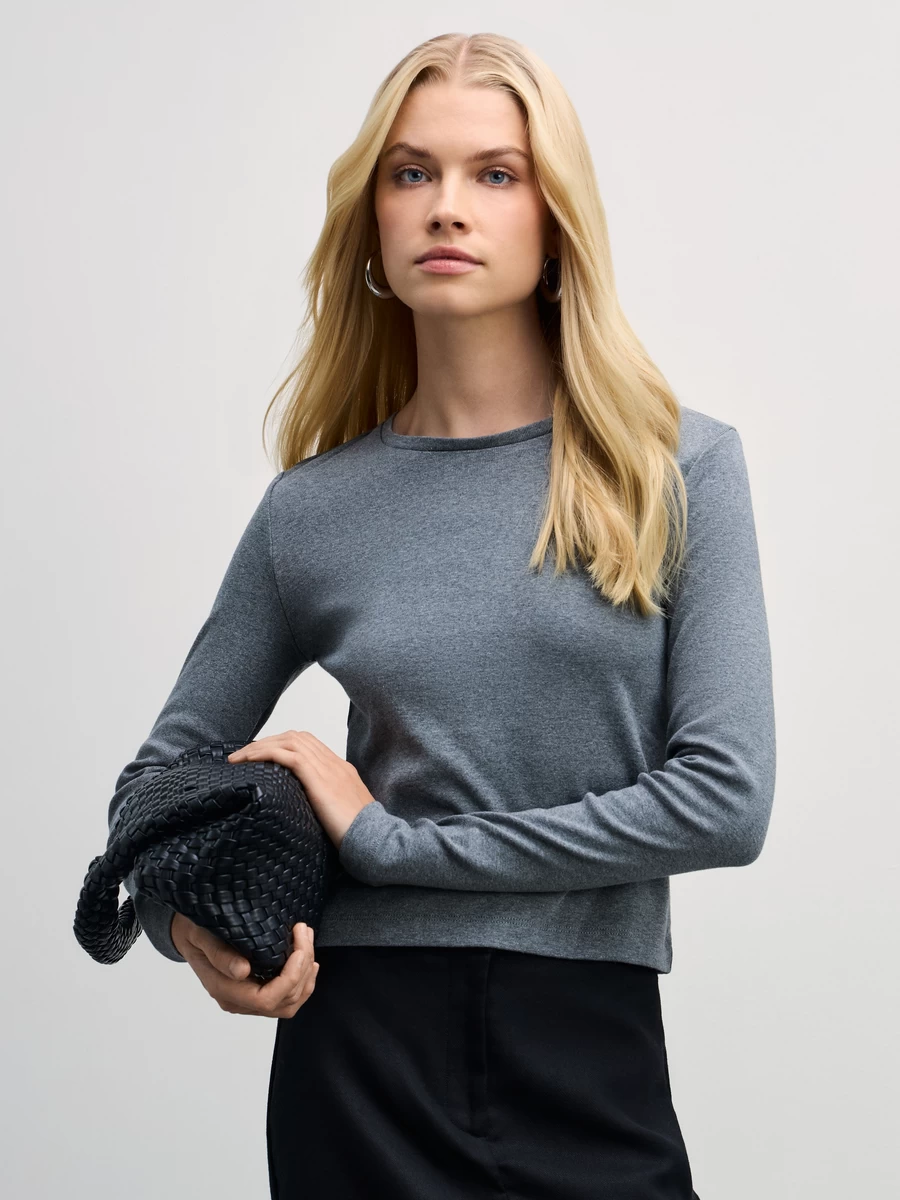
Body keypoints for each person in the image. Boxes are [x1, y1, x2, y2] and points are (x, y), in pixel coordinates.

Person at [107, 30, 776, 1200]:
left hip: (589, 1045)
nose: (445, 206)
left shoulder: (678, 469)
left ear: (556, 221)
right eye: (411, 172)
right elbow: (152, 789)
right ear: (372, 218)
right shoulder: (313, 510)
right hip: (358, 1056)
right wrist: (187, 927)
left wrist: (394, 847)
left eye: (495, 173)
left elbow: (725, 801)